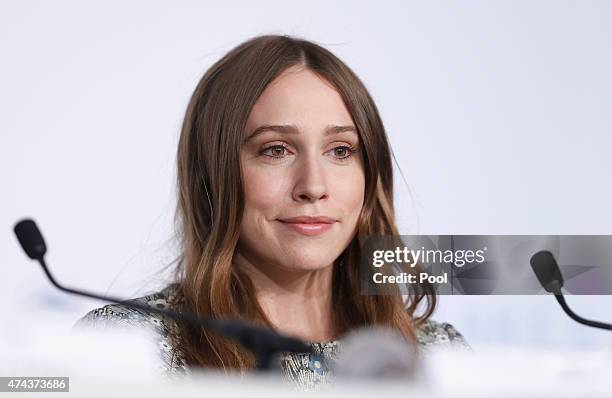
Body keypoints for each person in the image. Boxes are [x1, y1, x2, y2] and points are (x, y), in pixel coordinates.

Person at [75, 34, 469, 390]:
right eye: (276, 150)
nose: (313, 186)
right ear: (212, 174)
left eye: (341, 151)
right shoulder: (126, 350)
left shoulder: (438, 358)